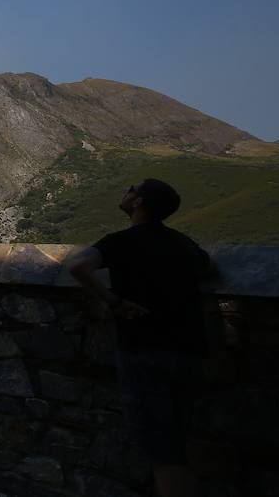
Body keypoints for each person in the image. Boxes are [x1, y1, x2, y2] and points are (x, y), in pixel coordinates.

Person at [66, 178, 213, 497]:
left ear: (138, 203)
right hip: (190, 352)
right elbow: (207, 269)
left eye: (131, 189)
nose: (125, 191)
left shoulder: (122, 242)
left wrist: (114, 302)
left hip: (145, 351)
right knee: (178, 444)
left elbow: (77, 266)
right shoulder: (185, 244)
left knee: (163, 454)